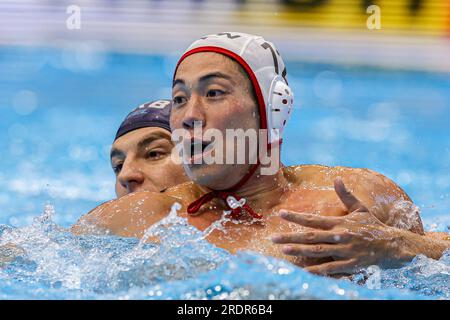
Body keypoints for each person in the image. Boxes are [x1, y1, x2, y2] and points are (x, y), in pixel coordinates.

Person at [73, 32, 450, 275]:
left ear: (271, 108)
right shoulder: (139, 217)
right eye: (179, 99)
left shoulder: (351, 196)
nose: (189, 116)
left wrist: (400, 246)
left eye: (214, 93)